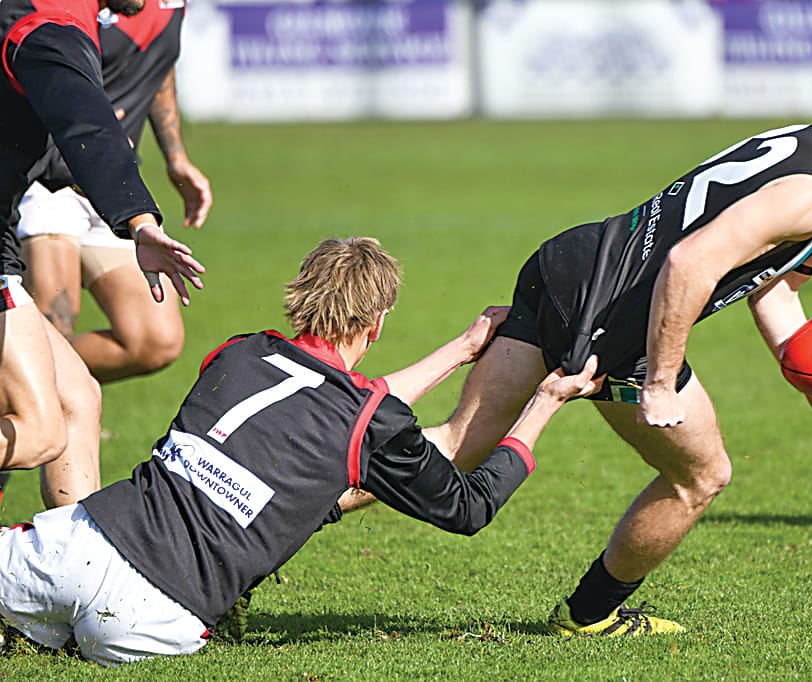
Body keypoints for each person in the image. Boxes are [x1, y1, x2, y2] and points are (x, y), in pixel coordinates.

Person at [413, 36, 812, 636]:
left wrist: (811, 374)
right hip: (618, 317)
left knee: (456, 443)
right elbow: (689, 264)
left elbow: (776, 288)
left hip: (571, 262)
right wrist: (658, 380)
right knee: (701, 476)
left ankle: (307, 502)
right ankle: (587, 617)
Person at [0, 237, 600, 665]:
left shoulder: (238, 352)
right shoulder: (370, 418)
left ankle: (37, 628)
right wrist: (544, 399)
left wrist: (461, 349)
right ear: (379, 321)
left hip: (73, 545)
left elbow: (331, 395)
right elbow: (467, 507)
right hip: (160, 617)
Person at [0, 0, 203, 508]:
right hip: (60, 185)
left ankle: (77, 573)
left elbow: (146, 74)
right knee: (41, 425)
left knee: (78, 396)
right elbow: (85, 118)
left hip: (97, 183)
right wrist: (139, 219)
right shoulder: (48, 21)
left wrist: (170, 160)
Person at [18, 0, 211, 383]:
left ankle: (45, 394)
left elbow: (159, 64)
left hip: (112, 189)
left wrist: (175, 156)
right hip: (47, 179)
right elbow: (39, 67)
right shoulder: (80, 8)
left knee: (155, 339)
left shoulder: (170, 5)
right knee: (51, 331)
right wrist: (91, 119)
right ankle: (48, 412)